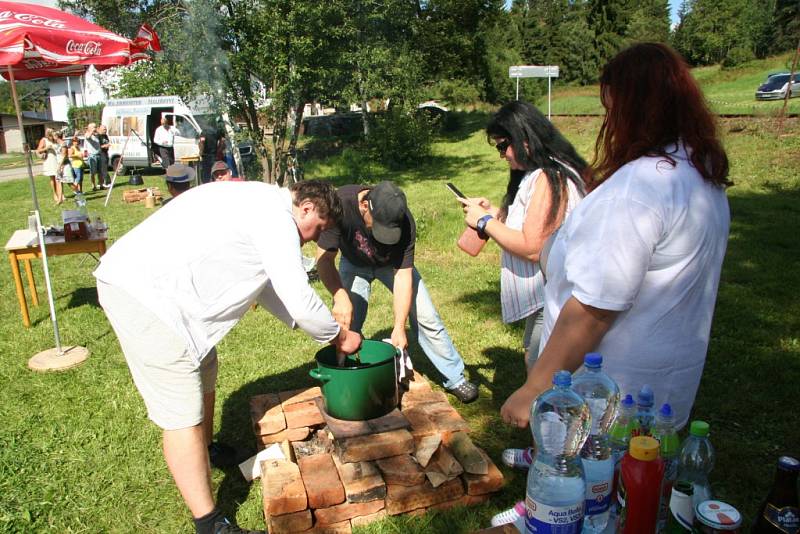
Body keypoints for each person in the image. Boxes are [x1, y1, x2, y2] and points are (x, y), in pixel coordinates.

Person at [490, 41, 732, 530]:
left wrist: (535, 387)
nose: (609, 122)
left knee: (596, 495)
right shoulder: (699, 175)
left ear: (633, 108)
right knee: (635, 498)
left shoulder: (642, 187)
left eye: (611, 108)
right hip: (663, 389)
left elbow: (594, 309)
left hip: (612, 397)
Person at [94, 180, 362, 534]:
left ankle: (206, 450)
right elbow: (298, 296)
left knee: (205, 363)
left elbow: (266, 284)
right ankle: (210, 523)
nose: (314, 239)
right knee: (181, 409)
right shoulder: (276, 218)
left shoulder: (267, 204)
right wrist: (339, 336)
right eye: (319, 230)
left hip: (161, 290)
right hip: (145, 295)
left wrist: (310, 325)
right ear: (308, 207)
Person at [316, 181, 479, 403]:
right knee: (347, 323)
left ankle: (455, 378)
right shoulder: (340, 204)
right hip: (353, 263)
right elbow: (324, 260)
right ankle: (346, 377)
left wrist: (399, 327)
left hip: (389, 266)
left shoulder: (405, 221)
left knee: (426, 316)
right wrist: (339, 296)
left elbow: (403, 276)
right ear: (365, 205)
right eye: (379, 226)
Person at [461, 101, 587, 369]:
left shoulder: (550, 177)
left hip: (552, 297)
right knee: (534, 356)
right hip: (549, 294)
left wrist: (484, 222)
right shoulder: (548, 170)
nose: (502, 155)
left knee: (540, 370)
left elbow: (533, 247)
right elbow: (535, 225)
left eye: (502, 146)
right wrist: (495, 213)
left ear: (524, 139)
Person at [35, 128, 61, 204]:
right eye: (53, 132)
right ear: (49, 133)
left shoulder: (55, 139)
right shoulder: (44, 140)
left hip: (57, 159)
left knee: (59, 177)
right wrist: (47, 148)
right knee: (53, 178)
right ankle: (55, 194)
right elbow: (38, 150)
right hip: (50, 160)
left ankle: (61, 194)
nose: (54, 133)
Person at [54, 131, 77, 196]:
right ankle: (60, 199)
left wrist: (60, 166)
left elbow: (64, 156)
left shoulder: (63, 144)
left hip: (65, 165)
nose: (53, 137)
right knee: (59, 182)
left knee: (69, 183)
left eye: (54, 136)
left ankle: (79, 194)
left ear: (57, 136)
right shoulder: (57, 144)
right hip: (59, 165)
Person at [84, 123, 102, 191]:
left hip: (99, 154)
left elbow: (100, 133)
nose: (95, 128)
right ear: (90, 128)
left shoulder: (96, 135)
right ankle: (93, 185)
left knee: (100, 172)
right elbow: (88, 137)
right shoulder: (87, 134)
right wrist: (91, 131)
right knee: (93, 172)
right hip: (92, 156)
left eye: (95, 126)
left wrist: (96, 130)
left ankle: (100, 184)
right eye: (94, 127)